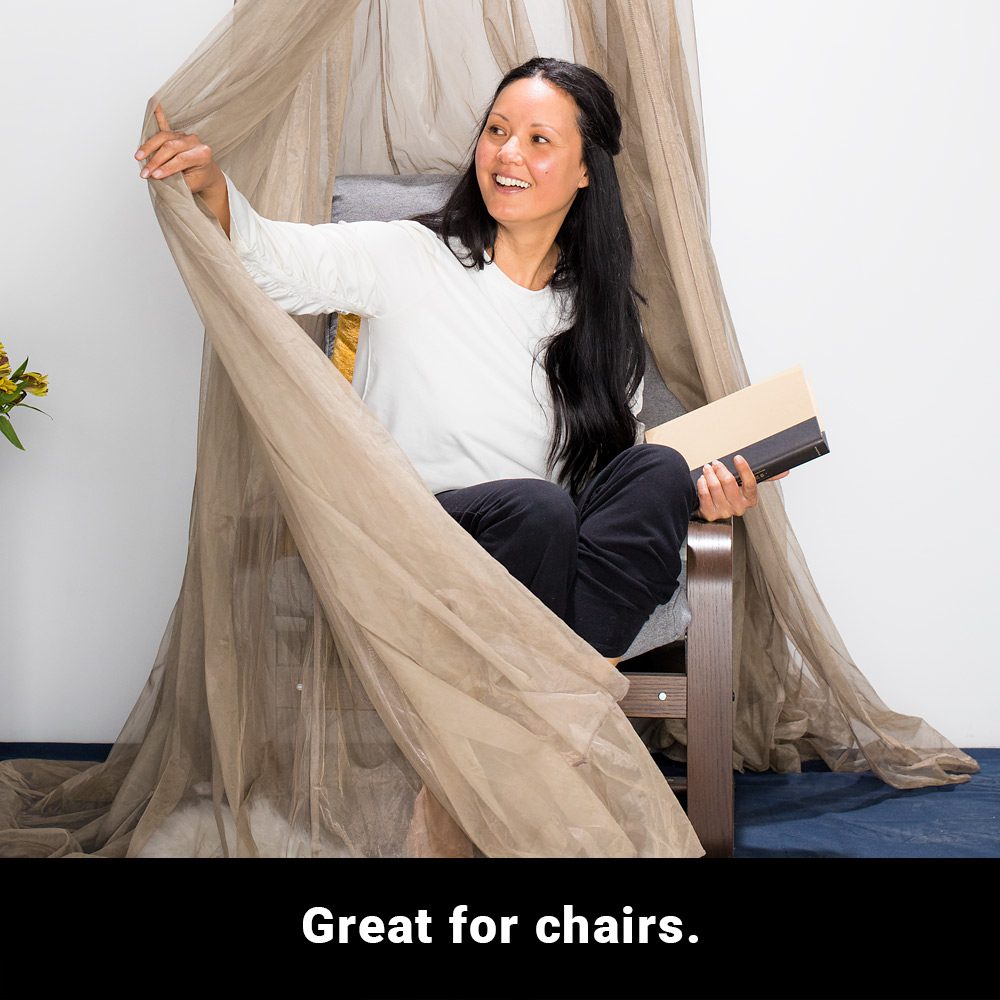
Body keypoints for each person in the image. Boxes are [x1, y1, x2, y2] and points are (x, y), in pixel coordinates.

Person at [135, 57, 785, 668]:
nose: (507, 153)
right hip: (417, 540)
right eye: (497, 131)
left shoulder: (601, 318)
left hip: (545, 559)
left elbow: (611, 477)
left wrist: (701, 496)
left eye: (538, 139)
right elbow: (269, 262)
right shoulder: (408, 256)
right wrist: (212, 188)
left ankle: (559, 691)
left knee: (657, 468)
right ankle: (568, 703)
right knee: (537, 510)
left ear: (587, 171)